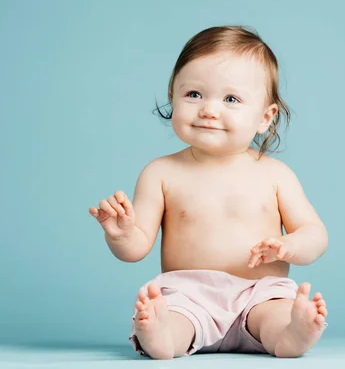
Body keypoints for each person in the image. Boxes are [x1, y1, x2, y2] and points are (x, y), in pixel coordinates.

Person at [88, 25, 329, 360]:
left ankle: (293, 333)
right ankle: (159, 336)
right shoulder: (161, 173)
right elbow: (136, 248)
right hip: (188, 293)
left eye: (230, 99)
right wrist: (121, 234)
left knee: (275, 315)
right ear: (173, 95)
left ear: (265, 116)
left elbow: (316, 235)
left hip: (259, 293)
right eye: (194, 94)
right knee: (172, 317)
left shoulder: (276, 175)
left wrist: (290, 246)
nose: (208, 110)